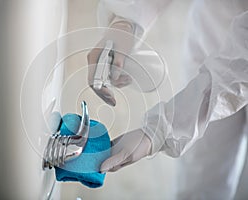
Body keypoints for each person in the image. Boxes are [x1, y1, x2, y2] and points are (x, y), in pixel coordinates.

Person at [87, 0, 248, 199]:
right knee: (199, 175)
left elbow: (239, 68)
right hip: (212, 23)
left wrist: (160, 130)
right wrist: (126, 20)